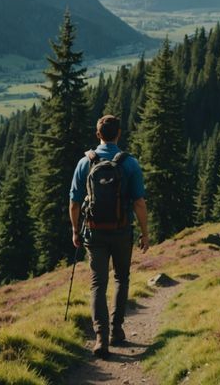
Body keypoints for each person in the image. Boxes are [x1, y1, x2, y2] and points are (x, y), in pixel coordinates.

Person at [70, 115, 150, 358]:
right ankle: (116, 329)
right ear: (119, 134)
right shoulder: (130, 163)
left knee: (97, 283)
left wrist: (75, 230)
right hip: (122, 230)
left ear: (98, 135)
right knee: (122, 278)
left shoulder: (86, 162)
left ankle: (100, 338)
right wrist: (145, 233)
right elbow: (139, 202)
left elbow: (74, 202)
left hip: (94, 231)